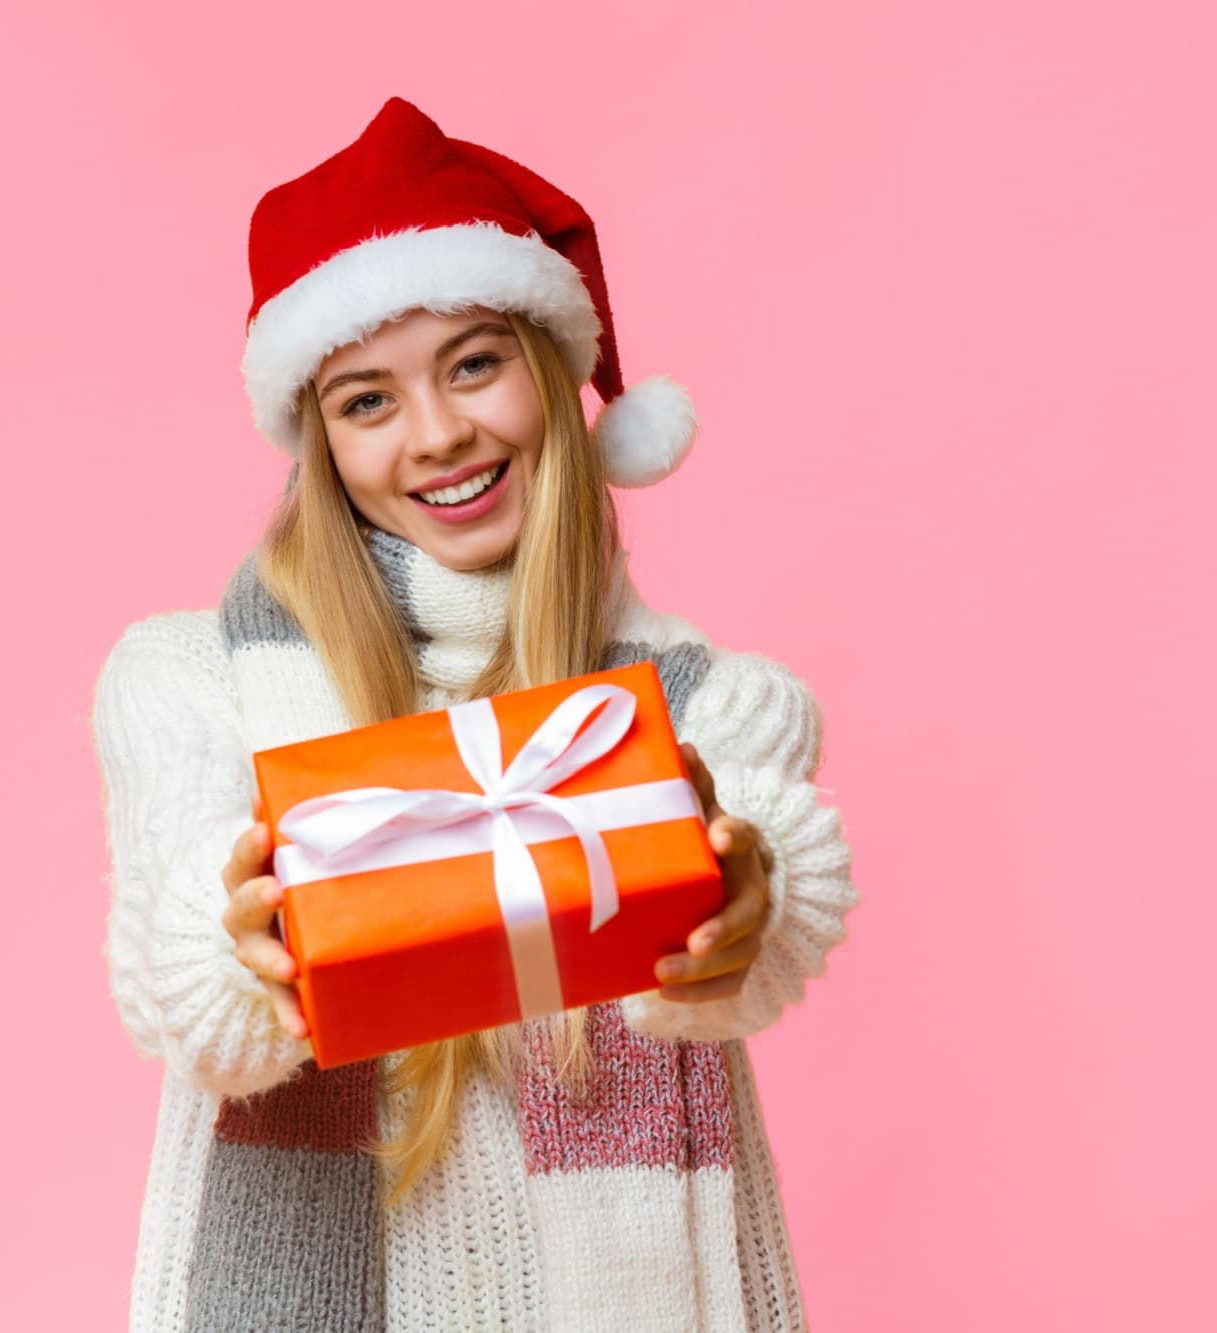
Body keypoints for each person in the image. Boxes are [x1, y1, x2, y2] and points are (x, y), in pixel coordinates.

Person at [91, 96, 858, 1332]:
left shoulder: (699, 702)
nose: (440, 433)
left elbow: (765, 896)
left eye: (473, 363)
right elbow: (190, 1010)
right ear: (319, 443)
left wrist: (747, 893)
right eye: (366, 400)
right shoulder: (192, 681)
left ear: (548, 374)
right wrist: (233, 947)